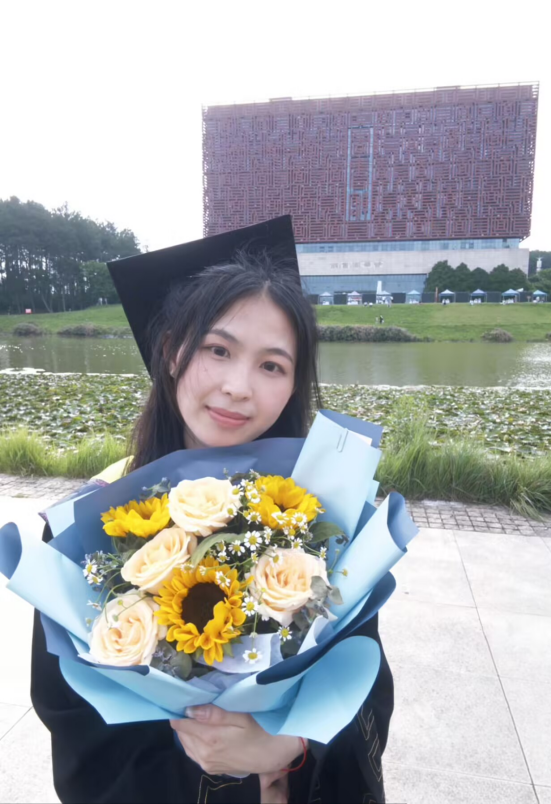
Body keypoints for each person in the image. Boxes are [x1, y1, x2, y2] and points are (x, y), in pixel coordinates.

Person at [31, 217, 394, 804]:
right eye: (218, 350)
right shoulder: (92, 520)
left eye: (272, 365)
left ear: (293, 384)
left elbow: (364, 685)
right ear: (171, 352)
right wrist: (209, 762)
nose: (238, 386)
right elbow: (71, 717)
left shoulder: (321, 519)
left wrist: (290, 746)